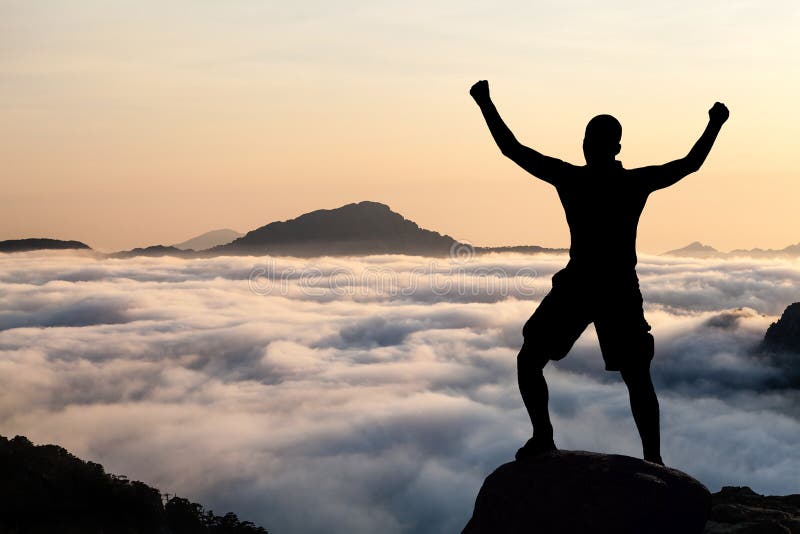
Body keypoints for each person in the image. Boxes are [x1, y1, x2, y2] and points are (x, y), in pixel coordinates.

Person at [470, 80, 729, 465]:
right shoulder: (632, 182)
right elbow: (688, 164)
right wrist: (715, 124)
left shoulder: (572, 179)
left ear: (591, 145)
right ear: (617, 147)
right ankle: (651, 460)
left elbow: (512, 149)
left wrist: (485, 102)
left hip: (581, 285)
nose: (587, 145)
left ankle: (546, 437)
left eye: (590, 139)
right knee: (635, 376)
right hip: (617, 287)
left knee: (533, 361)